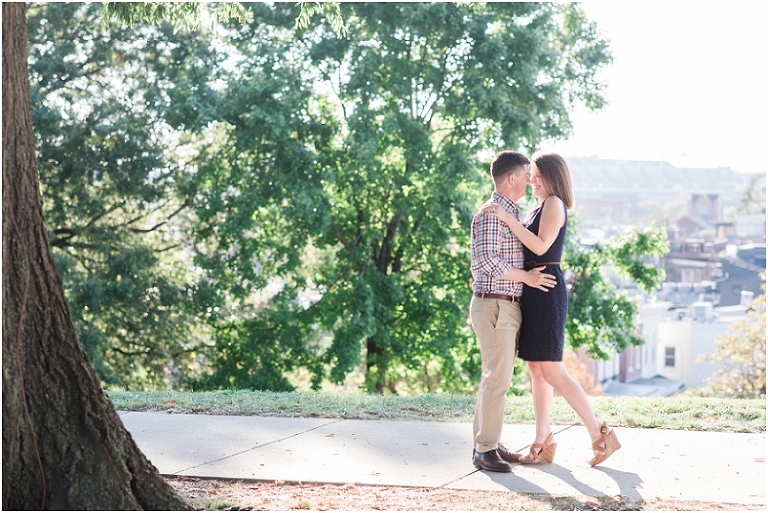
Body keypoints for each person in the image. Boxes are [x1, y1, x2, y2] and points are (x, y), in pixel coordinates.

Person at [482, 151, 621, 467]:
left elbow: (541, 246)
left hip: (545, 291)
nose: (530, 179)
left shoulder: (555, 203)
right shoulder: (539, 207)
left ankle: (599, 435)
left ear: (550, 177)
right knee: (536, 369)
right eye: (530, 174)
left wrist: (507, 219)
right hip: (534, 289)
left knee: (553, 371)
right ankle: (543, 440)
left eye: (536, 175)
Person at [469, 151, 557, 473]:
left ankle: (485, 441)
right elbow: (488, 261)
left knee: (494, 376)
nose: (530, 179)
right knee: (497, 378)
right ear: (511, 178)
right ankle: (485, 449)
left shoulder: (510, 213)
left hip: (504, 304)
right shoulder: (493, 214)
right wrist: (528, 278)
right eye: (526, 174)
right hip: (495, 303)